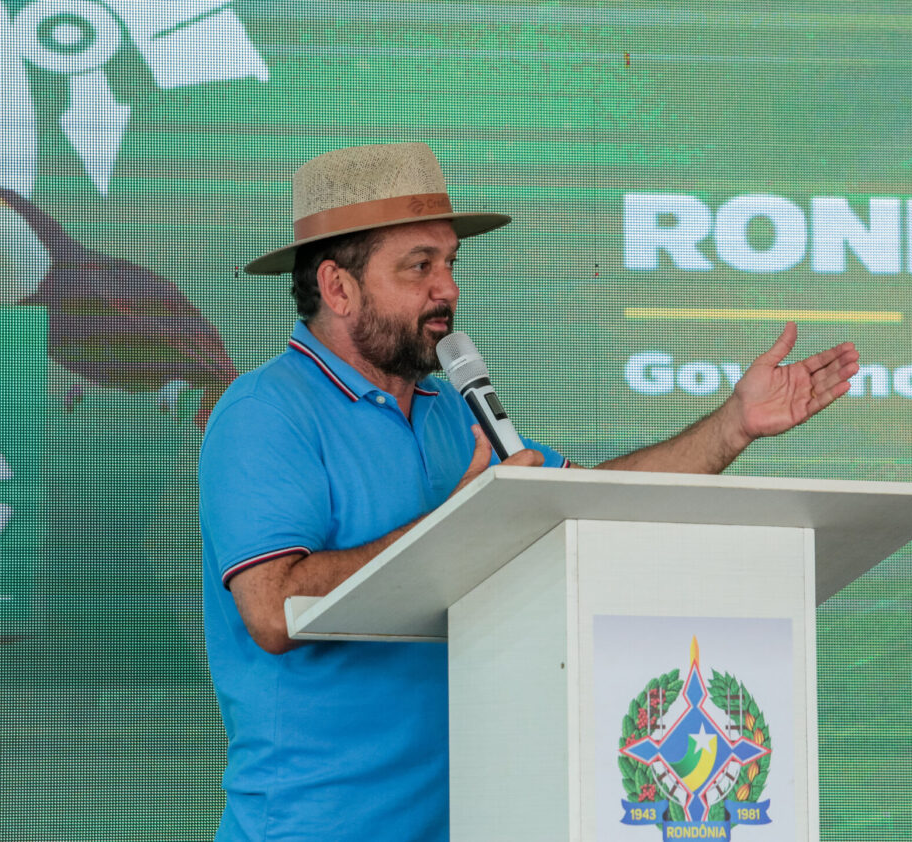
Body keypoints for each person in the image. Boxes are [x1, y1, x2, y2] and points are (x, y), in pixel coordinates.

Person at [198, 142, 858, 842]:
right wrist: (458, 523)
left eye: (450, 263)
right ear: (338, 287)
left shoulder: (453, 413)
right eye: (420, 266)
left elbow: (595, 503)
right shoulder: (266, 412)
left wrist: (733, 426)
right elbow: (273, 609)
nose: (448, 289)